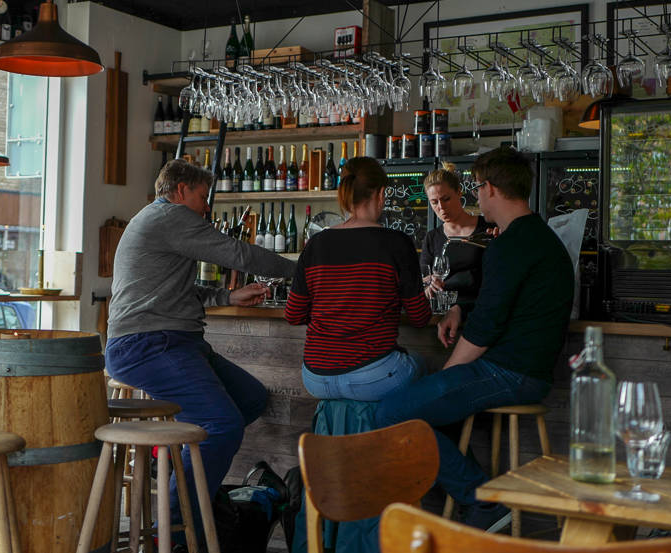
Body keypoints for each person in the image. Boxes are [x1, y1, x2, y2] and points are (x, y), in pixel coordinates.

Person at [374, 146, 574, 531]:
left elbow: (485, 330)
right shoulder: (538, 237)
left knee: (391, 413)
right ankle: (470, 509)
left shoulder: (509, 245)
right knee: (429, 416)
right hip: (526, 370)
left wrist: (447, 373)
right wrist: (460, 310)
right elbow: (503, 304)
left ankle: (484, 502)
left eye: (478, 187)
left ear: (491, 188)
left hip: (510, 372)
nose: (477, 196)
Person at [106, 159, 295, 543]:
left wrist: (228, 296)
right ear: (181, 191)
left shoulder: (157, 220)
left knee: (250, 399)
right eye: (202, 196)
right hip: (147, 344)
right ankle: (176, 531)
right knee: (222, 424)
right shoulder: (170, 216)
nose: (207, 206)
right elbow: (240, 255)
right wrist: (304, 268)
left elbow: (176, 292)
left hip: (173, 342)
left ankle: (184, 473)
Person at [285, 157, 430, 401]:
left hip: (316, 377)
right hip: (373, 376)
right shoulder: (397, 243)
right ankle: (384, 426)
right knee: (421, 364)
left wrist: (332, 308)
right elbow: (420, 317)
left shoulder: (316, 244)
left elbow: (293, 315)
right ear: (381, 193)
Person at [420, 162, 496, 312]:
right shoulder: (432, 238)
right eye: (434, 202)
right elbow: (424, 282)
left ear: (459, 193)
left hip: (482, 310)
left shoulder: (488, 229)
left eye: (446, 199)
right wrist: (429, 286)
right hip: (445, 313)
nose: (441, 207)